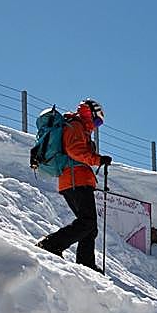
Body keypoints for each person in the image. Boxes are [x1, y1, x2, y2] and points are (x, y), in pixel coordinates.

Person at [36, 99, 111, 272]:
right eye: (97, 120)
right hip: (75, 179)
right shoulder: (75, 125)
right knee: (87, 221)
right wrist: (97, 159)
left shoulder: (80, 128)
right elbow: (75, 151)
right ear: (90, 113)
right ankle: (51, 244)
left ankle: (86, 263)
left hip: (76, 180)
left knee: (89, 225)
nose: (97, 125)